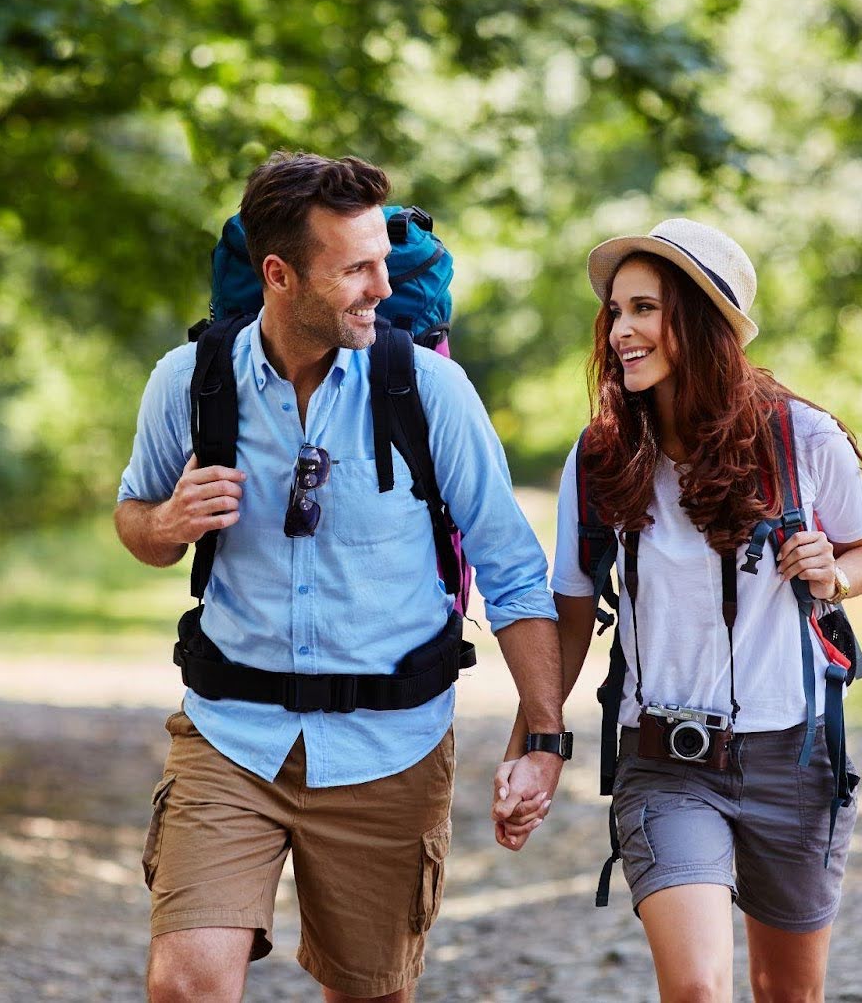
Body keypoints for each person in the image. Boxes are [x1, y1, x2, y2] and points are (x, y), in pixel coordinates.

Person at [115, 151, 570, 1003]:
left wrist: (542, 736)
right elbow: (135, 520)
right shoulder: (190, 383)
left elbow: (514, 573)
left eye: (384, 262)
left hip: (389, 750)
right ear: (278, 274)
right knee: (184, 984)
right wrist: (166, 524)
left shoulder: (428, 389)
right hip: (230, 738)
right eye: (355, 268)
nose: (379, 285)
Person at [493, 218, 862, 1002]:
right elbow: (570, 612)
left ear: (702, 323)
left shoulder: (802, 438)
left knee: (788, 993)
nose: (621, 331)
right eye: (616, 310)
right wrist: (534, 745)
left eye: (646, 309)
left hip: (796, 758)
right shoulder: (602, 454)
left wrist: (834, 574)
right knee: (700, 988)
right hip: (666, 761)